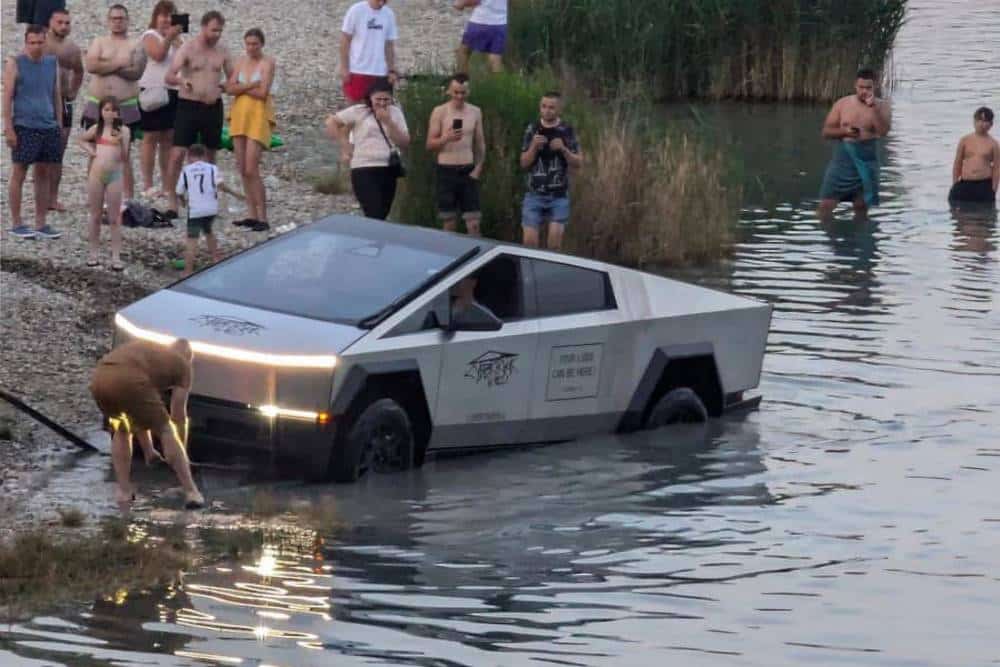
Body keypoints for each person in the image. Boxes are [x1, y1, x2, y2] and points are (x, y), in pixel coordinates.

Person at [89, 338, 205, 511]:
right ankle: (191, 491)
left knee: (122, 429)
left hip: (100, 379)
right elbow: (178, 414)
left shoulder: (150, 352)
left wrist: (149, 451)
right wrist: (181, 453)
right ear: (188, 357)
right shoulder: (183, 366)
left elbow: (138, 413)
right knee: (166, 430)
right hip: (130, 380)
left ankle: (124, 491)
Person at [164, 10, 233, 220]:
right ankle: (172, 201)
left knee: (211, 154)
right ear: (204, 27)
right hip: (189, 104)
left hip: (213, 106)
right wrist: (181, 81)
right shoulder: (188, 47)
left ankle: (205, 199)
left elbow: (233, 77)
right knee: (177, 154)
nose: (217, 34)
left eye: (220, 30)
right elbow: (169, 75)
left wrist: (225, 86)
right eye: (213, 30)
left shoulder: (222, 50)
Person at [3, 24, 63, 240]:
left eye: (40, 42)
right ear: (26, 42)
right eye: (32, 43)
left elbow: (56, 93)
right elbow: (7, 96)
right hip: (25, 125)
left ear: (45, 41)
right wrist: (9, 128)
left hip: (48, 125)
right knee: (19, 171)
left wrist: (59, 123)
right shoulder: (16, 63)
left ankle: (41, 222)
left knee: (44, 172)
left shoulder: (51, 62)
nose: (37, 46)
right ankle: (17, 222)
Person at [83, 4, 146, 202]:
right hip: (97, 105)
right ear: (108, 21)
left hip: (125, 107)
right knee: (95, 150)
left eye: (121, 18)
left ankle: (126, 198)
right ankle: (95, 195)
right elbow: (91, 66)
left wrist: (106, 66)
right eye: (114, 18)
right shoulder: (99, 42)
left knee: (123, 152)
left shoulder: (136, 44)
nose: (117, 22)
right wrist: (120, 63)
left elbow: (136, 72)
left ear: (127, 21)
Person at [325, 79, 410, 220]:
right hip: (363, 167)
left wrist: (388, 121)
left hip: (388, 166)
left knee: (382, 212)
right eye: (378, 99)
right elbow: (331, 122)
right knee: (373, 211)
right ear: (370, 98)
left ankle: (374, 240)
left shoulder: (395, 113)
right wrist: (345, 145)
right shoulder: (359, 111)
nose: (382, 103)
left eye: (386, 99)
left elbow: (404, 142)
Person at [817, 68, 892, 221]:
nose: (864, 91)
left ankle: (859, 239)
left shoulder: (882, 106)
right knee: (825, 206)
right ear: (855, 86)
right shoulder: (842, 104)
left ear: (875, 86)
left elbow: (883, 132)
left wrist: (873, 109)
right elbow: (826, 132)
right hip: (842, 159)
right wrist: (845, 132)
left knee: (861, 207)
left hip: (866, 158)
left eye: (868, 88)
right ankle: (830, 242)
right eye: (861, 87)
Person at [225, 28, 276, 232]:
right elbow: (229, 88)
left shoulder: (268, 62)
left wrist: (241, 87)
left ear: (261, 44)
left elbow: (263, 92)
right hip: (239, 114)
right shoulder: (240, 61)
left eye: (255, 44)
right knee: (241, 167)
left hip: (257, 115)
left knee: (251, 168)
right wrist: (250, 85)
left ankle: (263, 216)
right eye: (248, 44)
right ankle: (251, 214)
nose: (251, 48)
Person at [519, 91, 583, 250]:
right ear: (540, 107)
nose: (547, 110)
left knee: (554, 245)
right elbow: (523, 163)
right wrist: (533, 147)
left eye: (551, 107)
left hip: (559, 195)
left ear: (559, 109)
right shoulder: (532, 129)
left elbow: (578, 162)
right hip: (534, 193)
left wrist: (563, 149)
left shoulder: (567, 130)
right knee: (529, 243)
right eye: (544, 106)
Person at [426, 73, 485, 235]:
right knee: (449, 221)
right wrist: (446, 138)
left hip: (468, 169)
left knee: (473, 222)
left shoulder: (475, 112)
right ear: (449, 91)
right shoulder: (440, 112)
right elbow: (430, 144)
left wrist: (478, 167)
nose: (459, 96)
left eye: (463, 92)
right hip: (446, 169)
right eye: (456, 92)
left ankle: (477, 256)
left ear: (468, 92)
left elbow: (480, 143)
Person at [77, 96, 130, 270]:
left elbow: (124, 157)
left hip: (115, 175)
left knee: (115, 217)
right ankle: (94, 253)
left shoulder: (124, 130)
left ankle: (116, 255)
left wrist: (121, 140)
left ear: (118, 113)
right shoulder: (96, 129)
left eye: (113, 110)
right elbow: (81, 139)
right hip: (96, 174)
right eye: (106, 109)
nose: (109, 113)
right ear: (101, 111)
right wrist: (91, 151)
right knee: (95, 215)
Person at [138, 0, 183, 199]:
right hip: (153, 90)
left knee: (168, 139)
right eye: (163, 15)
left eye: (170, 15)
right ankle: (148, 184)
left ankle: (167, 184)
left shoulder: (176, 40)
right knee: (150, 138)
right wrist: (169, 38)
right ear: (155, 17)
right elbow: (157, 55)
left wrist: (177, 40)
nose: (166, 19)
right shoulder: (150, 36)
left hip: (173, 91)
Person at [176, 144, 243, 276]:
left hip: (195, 209)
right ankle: (216, 258)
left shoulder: (186, 170)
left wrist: (183, 202)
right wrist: (236, 194)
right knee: (209, 232)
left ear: (189, 156)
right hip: (211, 208)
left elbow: (179, 191)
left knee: (191, 239)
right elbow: (221, 185)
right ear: (204, 156)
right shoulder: (212, 168)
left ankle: (187, 271)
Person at [43, 9, 83, 212]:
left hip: (65, 102)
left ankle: (53, 198)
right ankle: (40, 196)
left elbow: (79, 71)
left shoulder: (72, 48)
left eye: (67, 23)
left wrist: (74, 91)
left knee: (59, 151)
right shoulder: (41, 44)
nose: (64, 26)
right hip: (44, 102)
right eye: (59, 22)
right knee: (40, 151)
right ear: (50, 22)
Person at [339, 0, 399, 104]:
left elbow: (389, 44)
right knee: (356, 110)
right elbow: (345, 39)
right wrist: (344, 67)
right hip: (358, 70)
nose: (382, 3)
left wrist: (391, 69)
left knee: (380, 110)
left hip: (380, 72)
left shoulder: (389, 14)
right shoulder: (356, 10)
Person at [949, 107, 998, 204]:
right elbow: (957, 163)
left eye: (985, 121)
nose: (982, 124)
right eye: (979, 120)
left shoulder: (993, 144)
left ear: (991, 124)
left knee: (985, 217)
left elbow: (997, 168)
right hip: (964, 184)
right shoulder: (965, 141)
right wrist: (955, 184)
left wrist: (994, 189)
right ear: (974, 121)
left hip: (984, 185)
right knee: (959, 216)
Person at [455, 0, 507, 73]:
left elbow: (472, 1)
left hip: (480, 22)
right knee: (495, 57)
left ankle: (461, 80)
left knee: (463, 52)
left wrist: (460, 4)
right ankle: (498, 83)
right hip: (501, 23)